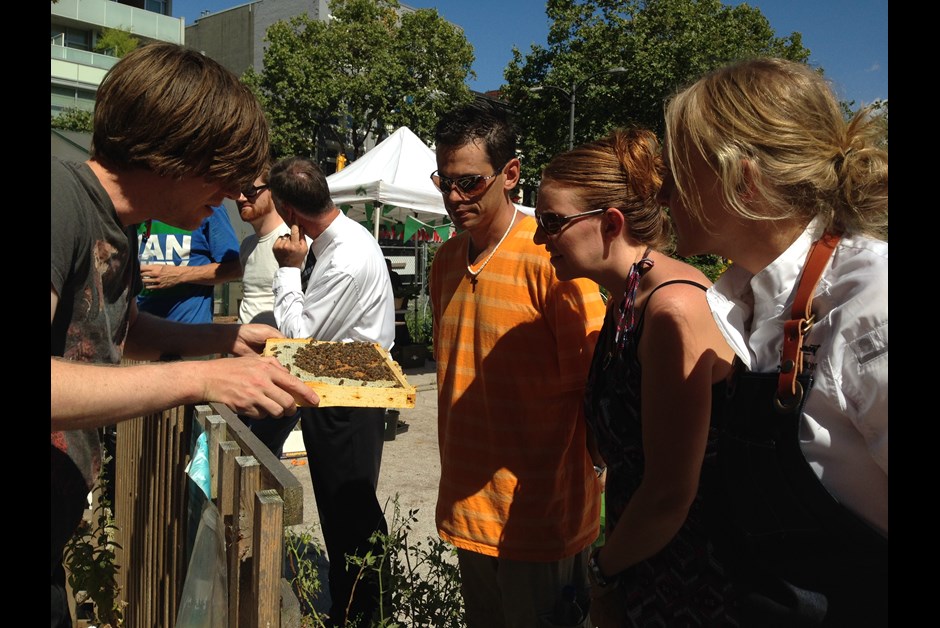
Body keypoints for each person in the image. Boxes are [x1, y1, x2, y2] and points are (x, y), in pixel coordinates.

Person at [50, 42, 319, 628]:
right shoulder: (59, 200)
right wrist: (198, 378)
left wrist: (222, 341)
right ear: (175, 151)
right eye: (222, 172)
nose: (228, 194)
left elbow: (116, 330)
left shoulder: (118, 225)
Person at [658, 57, 888, 625]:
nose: (664, 191)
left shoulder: (870, 307)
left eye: (680, 169)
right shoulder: (755, 299)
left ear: (744, 178)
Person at [532, 128, 739, 625]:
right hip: (647, 558)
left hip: (686, 582)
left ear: (610, 223)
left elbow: (669, 493)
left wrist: (602, 574)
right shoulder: (630, 298)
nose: (539, 238)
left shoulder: (671, 310)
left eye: (552, 221)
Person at [429, 100, 606, 627]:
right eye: (444, 181)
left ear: (511, 174)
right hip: (468, 512)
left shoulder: (554, 259)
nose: (454, 197)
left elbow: (594, 397)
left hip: (540, 523)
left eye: (470, 183)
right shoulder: (444, 260)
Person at [268, 156, 396, 627]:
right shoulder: (345, 237)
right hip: (351, 385)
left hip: (347, 394)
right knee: (349, 513)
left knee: (349, 516)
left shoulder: (341, 257)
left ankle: (361, 614)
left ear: (288, 211)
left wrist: (287, 269)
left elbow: (298, 340)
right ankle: (359, 609)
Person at [137, 206, 242, 325]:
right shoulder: (136, 207)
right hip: (140, 332)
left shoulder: (208, 205)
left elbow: (235, 267)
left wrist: (179, 275)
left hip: (191, 334)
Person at [236, 163, 291, 327]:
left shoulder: (294, 241)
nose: (240, 198)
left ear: (273, 191)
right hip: (242, 349)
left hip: (278, 349)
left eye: (249, 190)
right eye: (236, 191)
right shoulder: (246, 245)